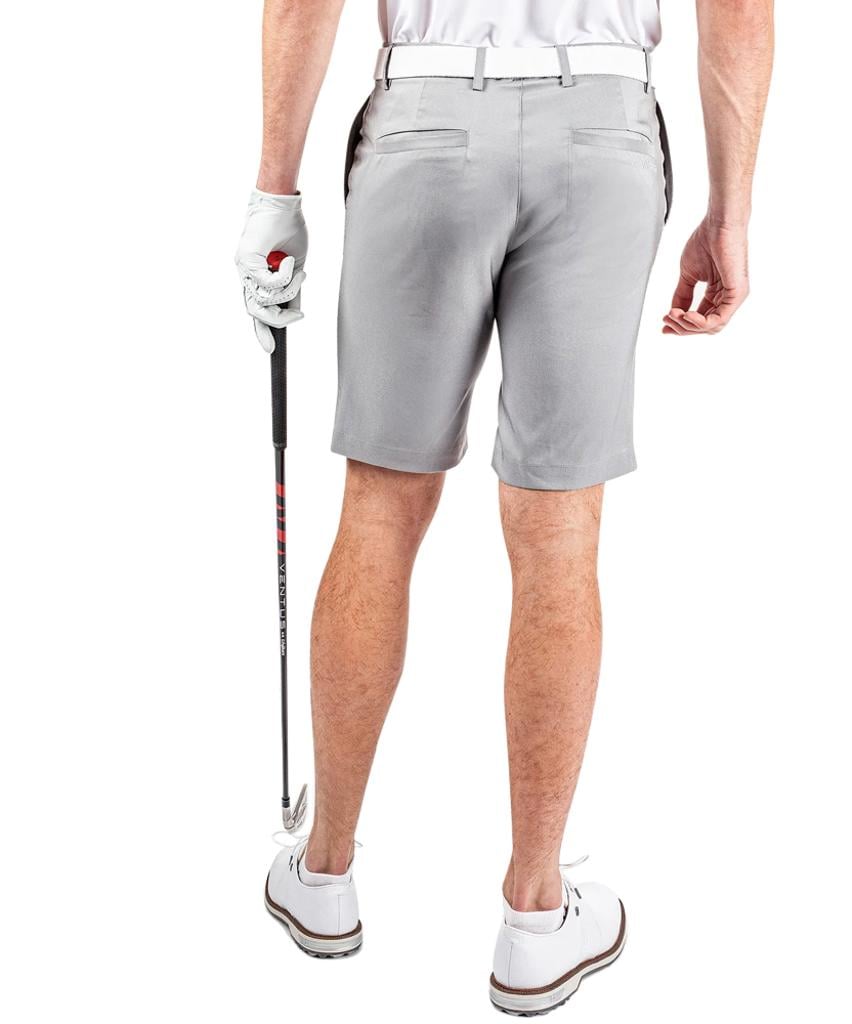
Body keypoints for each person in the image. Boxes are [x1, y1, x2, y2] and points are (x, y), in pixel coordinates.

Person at [235, 0, 773, 1012]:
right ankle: (535, 916)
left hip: (424, 121)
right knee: (558, 526)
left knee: (381, 505)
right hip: (604, 133)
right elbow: (737, 8)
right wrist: (731, 212)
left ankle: (324, 870)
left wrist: (274, 191)